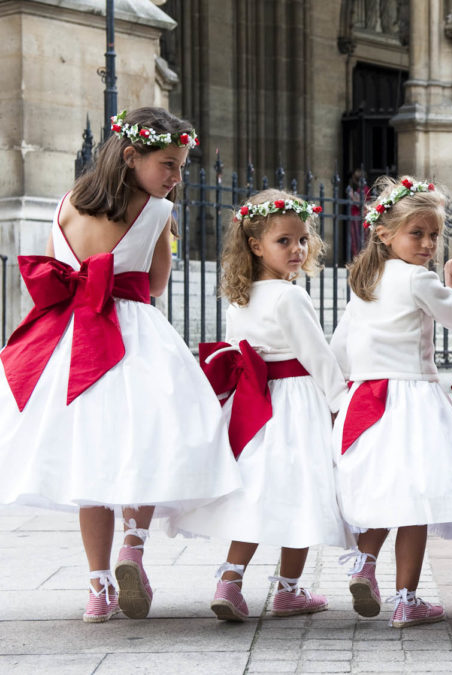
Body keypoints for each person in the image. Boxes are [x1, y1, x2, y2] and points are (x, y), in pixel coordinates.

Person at [0, 107, 241, 622]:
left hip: (71, 339)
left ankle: (98, 587)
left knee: (91, 460)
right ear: (132, 157)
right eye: (169, 165)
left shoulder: (66, 203)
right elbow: (154, 285)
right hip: (130, 332)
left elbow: (53, 268)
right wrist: (163, 237)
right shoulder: (156, 212)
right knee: (149, 441)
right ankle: (133, 545)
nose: (176, 178)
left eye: (180, 168)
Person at [172, 189, 352, 621]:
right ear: (256, 246)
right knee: (304, 492)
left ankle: (230, 580)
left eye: (302, 240)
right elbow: (318, 356)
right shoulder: (290, 297)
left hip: (258, 404)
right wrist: (340, 403)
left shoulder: (242, 295)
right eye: (284, 241)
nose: (297, 249)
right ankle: (288, 590)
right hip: (297, 402)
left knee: (257, 492)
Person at [332, 177, 452, 628]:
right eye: (416, 233)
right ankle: (406, 600)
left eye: (433, 235)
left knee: (385, 493)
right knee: (415, 501)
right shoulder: (419, 278)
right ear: (385, 232)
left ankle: (363, 565)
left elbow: (342, 343)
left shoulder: (366, 277)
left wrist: (340, 395)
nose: (427, 243)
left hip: (367, 397)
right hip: (413, 400)